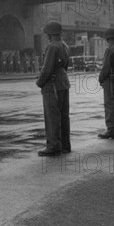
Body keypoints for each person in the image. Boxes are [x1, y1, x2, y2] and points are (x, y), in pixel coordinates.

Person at [36, 21, 71, 157]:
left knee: (52, 117)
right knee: (63, 116)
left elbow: (47, 69)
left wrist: (40, 82)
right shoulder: (64, 45)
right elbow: (66, 65)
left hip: (52, 85)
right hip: (63, 82)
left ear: (50, 34)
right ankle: (65, 145)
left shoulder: (52, 47)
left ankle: (53, 146)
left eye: (47, 35)